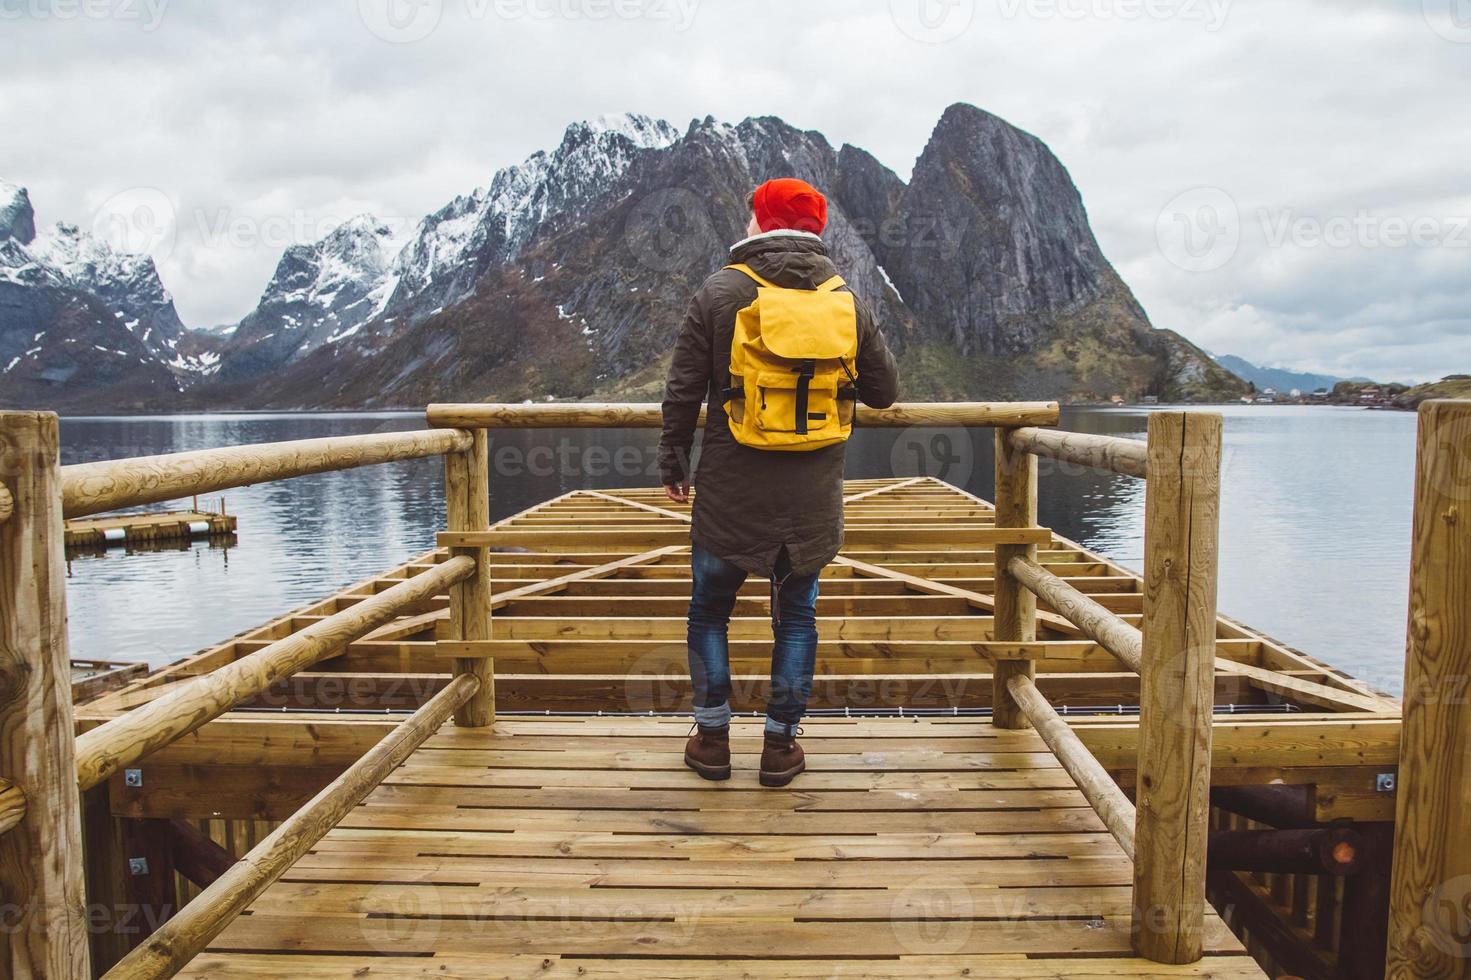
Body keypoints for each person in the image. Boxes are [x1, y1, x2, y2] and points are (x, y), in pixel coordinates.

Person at [658, 177, 899, 787]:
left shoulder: (719, 291)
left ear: (762, 224)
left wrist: (673, 462)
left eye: (750, 216)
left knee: (710, 611)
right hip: (811, 501)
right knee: (796, 617)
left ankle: (712, 742)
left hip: (730, 493)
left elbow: (683, 390)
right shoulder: (845, 298)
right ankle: (781, 747)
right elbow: (885, 392)